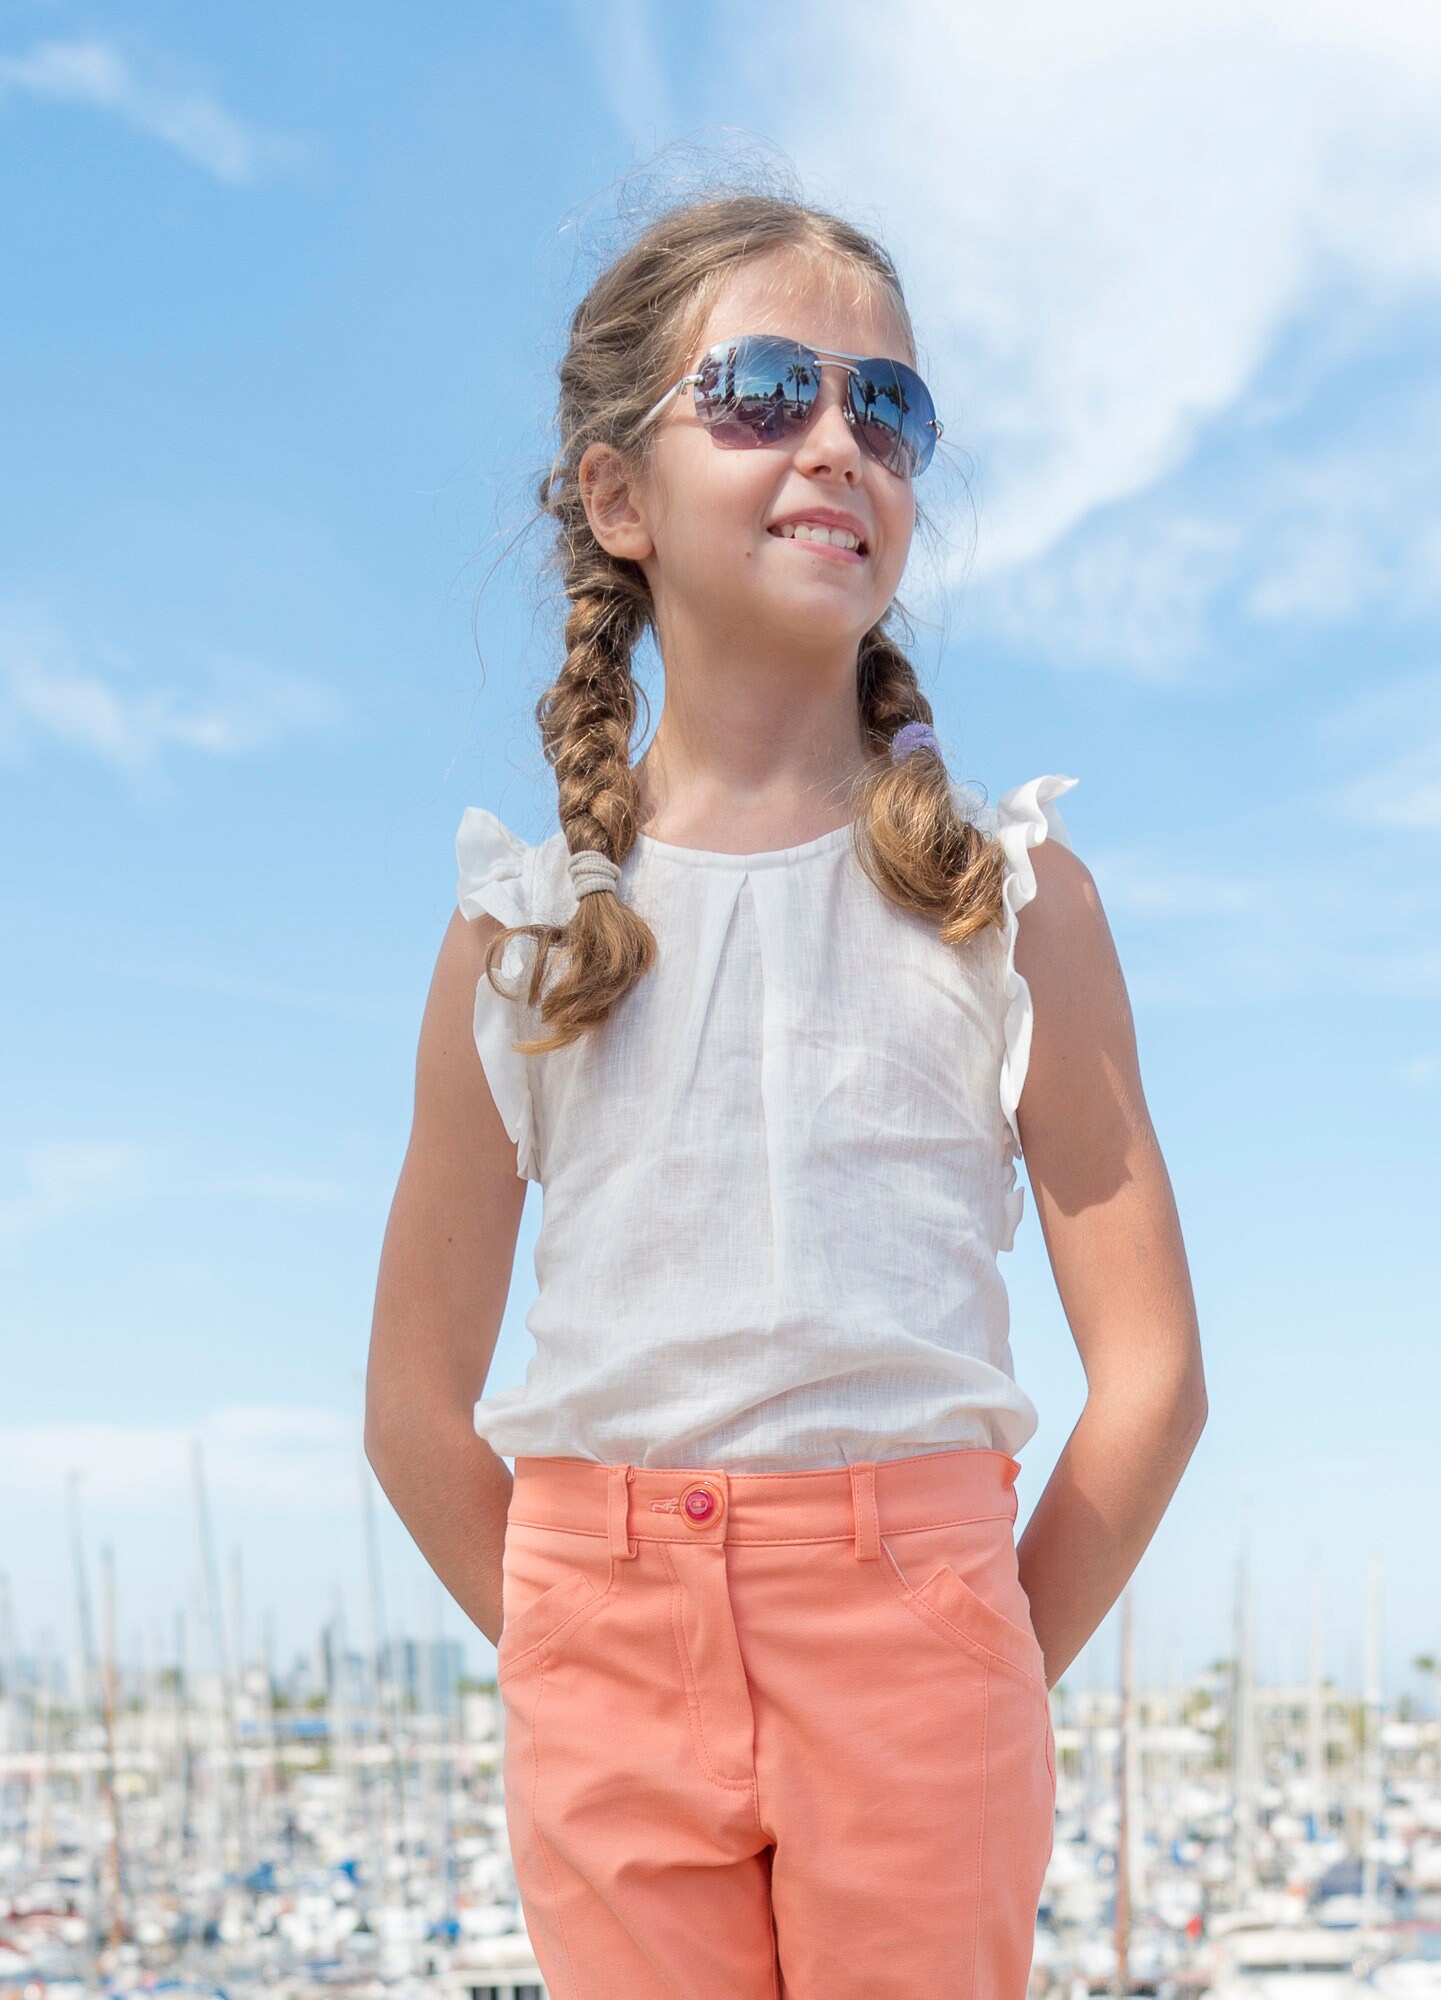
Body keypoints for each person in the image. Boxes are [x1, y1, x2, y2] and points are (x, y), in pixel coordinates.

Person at [365, 187, 1208, 2000]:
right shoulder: (520, 935)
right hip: (601, 1645)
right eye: (758, 391)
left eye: (886, 410)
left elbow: (1151, 1382)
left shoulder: (1011, 904)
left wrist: (972, 1658)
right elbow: (413, 1409)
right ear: (618, 499)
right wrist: (585, 1639)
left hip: (925, 1648)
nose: (838, 442)